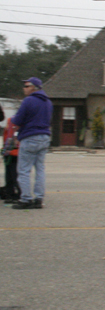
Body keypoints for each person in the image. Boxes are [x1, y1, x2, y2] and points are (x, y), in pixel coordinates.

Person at [11, 77, 53, 210]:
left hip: (30, 137)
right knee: (40, 168)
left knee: (23, 170)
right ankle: (39, 198)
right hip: (45, 137)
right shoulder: (48, 102)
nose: (24, 88)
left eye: (27, 85)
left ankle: (26, 199)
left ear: (34, 87)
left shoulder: (28, 100)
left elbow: (17, 120)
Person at [1, 119, 20, 203]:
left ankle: (16, 194)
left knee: (14, 176)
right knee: (10, 176)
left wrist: (9, 151)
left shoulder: (15, 124)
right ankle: (10, 193)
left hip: (14, 154)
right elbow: (6, 139)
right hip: (10, 153)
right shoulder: (11, 122)